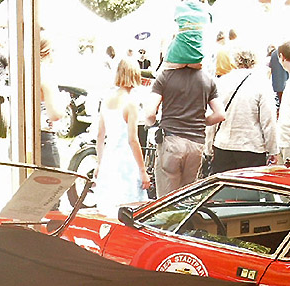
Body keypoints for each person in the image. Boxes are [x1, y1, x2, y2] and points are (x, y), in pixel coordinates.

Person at [144, 44, 224, 196]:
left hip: (172, 141)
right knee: (186, 198)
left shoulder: (165, 77)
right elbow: (220, 114)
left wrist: (153, 123)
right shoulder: (208, 80)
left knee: (166, 200)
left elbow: (149, 113)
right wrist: (202, 121)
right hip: (196, 144)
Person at [94, 57, 151, 217]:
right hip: (126, 162)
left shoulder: (106, 101)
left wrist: (99, 162)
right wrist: (143, 170)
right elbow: (133, 139)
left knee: (107, 209)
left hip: (108, 160)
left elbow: (100, 135)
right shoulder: (131, 103)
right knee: (131, 210)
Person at [210, 48, 277, 172]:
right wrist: (273, 150)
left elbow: (212, 114)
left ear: (235, 60)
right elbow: (268, 120)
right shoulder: (262, 82)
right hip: (251, 145)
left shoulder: (222, 82)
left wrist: (209, 146)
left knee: (225, 188)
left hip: (223, 144)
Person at [39, 37, 66, 168]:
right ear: (48, 52)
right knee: (51, 185)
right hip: (45, 137)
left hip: (25, 136)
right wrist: (64, 103)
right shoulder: (46, 76)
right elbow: (54, 114)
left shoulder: (26, 72)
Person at [164, 0, 212, 70]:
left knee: (164, 69)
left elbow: (170, 32)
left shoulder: (177, 7)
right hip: (198, 58)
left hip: (177, 58)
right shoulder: (206, 10)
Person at [268, 44, 288, 109]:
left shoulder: (273, 54)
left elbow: (270, 69)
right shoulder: (287, 52)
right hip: (286, 83)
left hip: (277, 85)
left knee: (281, 104)